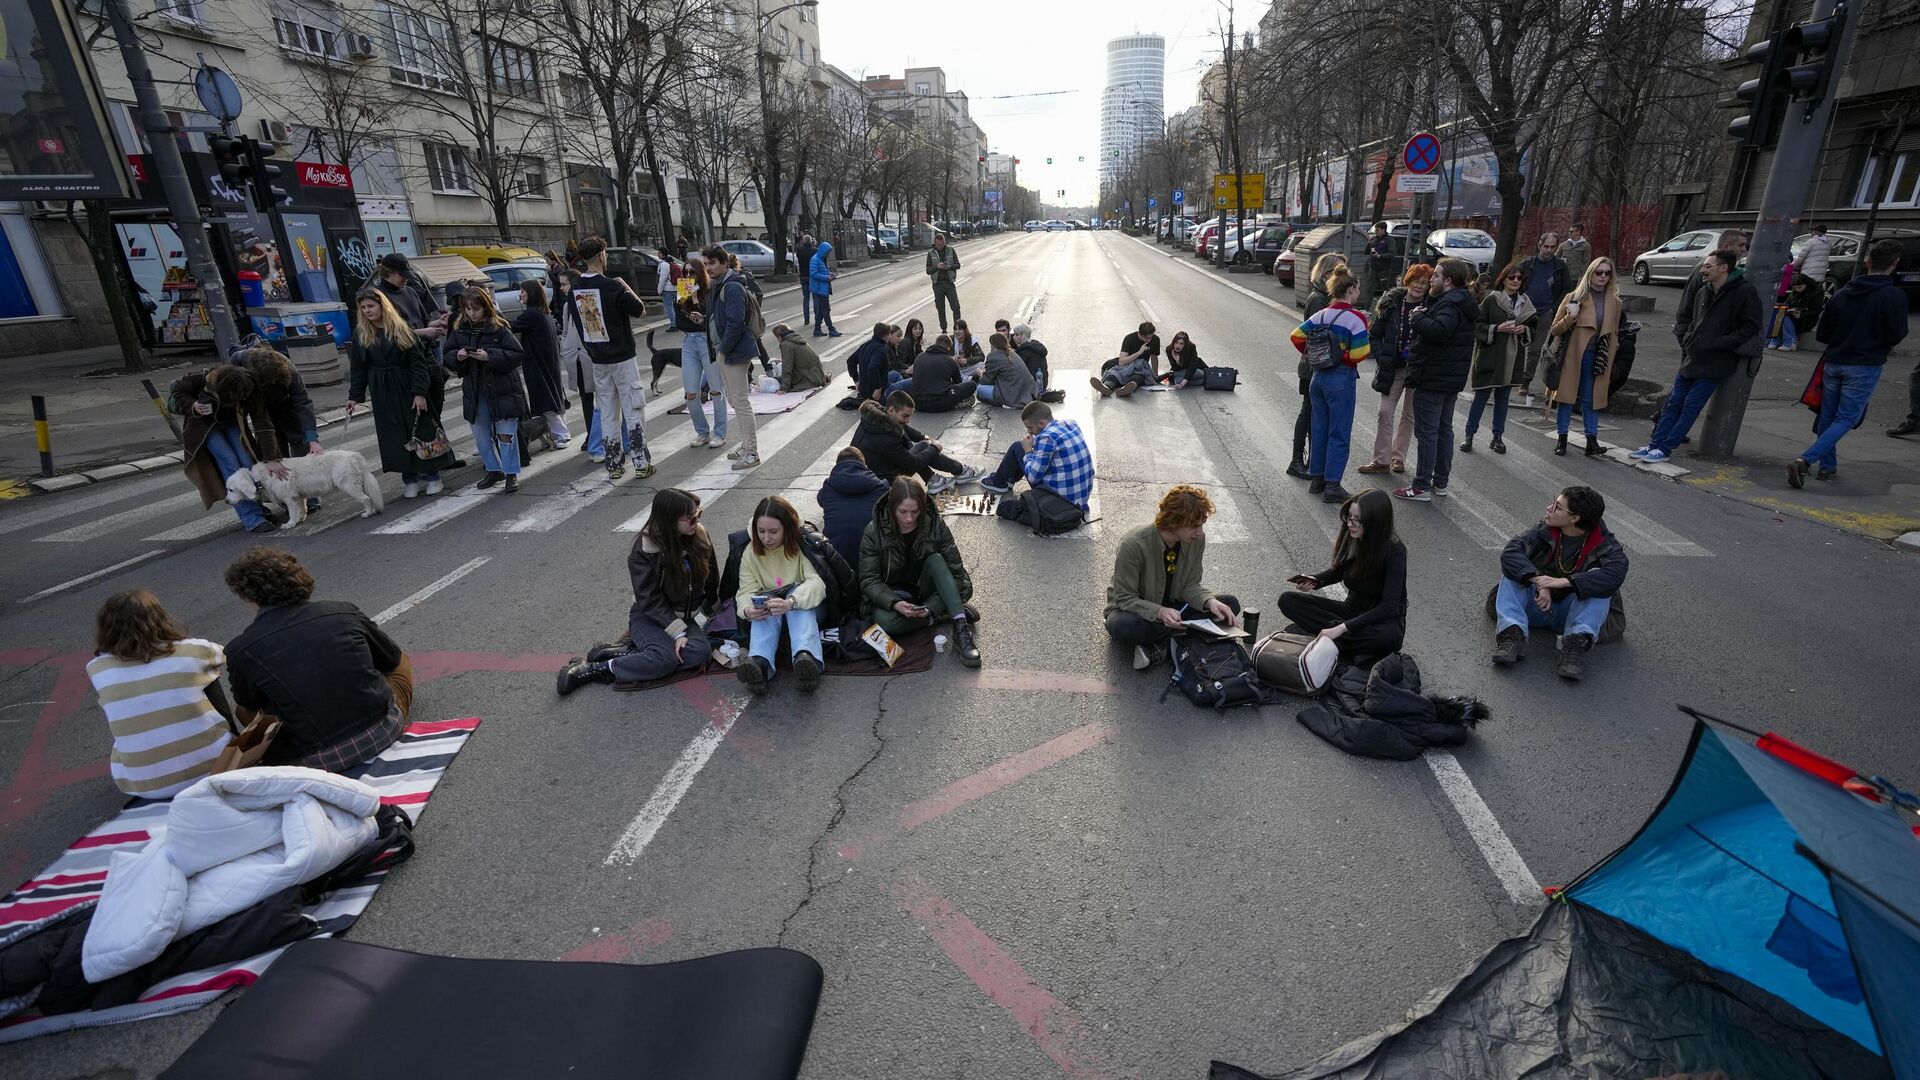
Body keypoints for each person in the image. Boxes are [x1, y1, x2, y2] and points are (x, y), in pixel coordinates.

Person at [223, 546, 413, 770]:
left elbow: (247, 711)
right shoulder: (342, 611)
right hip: (382, 731)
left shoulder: (239, 649)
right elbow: (391, 660)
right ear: (299, 578)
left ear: (247, 595)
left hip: (313, 761)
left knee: (253, 709)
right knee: (400, 663)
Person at [556, 489, 720, 694]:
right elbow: (649, 600)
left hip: (682, 617)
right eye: (690, 518)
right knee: (666, 659)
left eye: (699, 514)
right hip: (649, 616)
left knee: (700, 653)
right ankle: (592, 669)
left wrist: (715, 606)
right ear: (669, 520)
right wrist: (678, 633)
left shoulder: (699, 536)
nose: (697, 521)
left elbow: (711, 575)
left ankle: (625, 654)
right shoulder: (644, 551)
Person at [87, 590, 231, 799]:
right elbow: (225, 653)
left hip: (144, 788)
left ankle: (150, 762)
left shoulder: (97, 668)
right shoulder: (192, 649)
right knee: (209, 674)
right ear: (160, 618)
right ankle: (230, 741)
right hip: (214, 769)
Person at [1791, 239, 1912, 487]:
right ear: (1895, 264)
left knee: (1828, 415)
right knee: (1846, 418)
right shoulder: (1893, 296)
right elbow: (1897, 334)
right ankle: (1806, 459)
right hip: (1865, 363)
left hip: (1834, 361)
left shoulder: (1843, 293)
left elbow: (1822, 333)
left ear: (1867, 262)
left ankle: (1828, 466)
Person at [1632, 250, 1761, 464]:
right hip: (1693, 356)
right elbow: (1693, 320)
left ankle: (1665, 449)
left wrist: (1723, 343)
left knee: (1690, 406)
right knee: (1673, 403)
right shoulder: (1704, 291)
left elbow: (1751, 325)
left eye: (1708, 266)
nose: (1703, 270)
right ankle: (1655, 445)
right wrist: (1689, 339)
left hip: (1716, 361)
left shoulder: (1744, 292)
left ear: (1724, 268)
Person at [1491, 485, 1627, 682]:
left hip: (1571, 613)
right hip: (1537, 605)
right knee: (1515, 572)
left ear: (1574, 518)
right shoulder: (1543, 531)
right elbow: (1511, 553)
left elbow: (1615, 573)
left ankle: (1573, 647)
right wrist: (1538, 580)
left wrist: (1563, 582)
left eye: (1557, 507)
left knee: (1600, 582)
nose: (1549, 508)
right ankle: (1512, 636)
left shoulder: (1605, 544)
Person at [1102, 484, 1242, 670]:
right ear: (1174, 520)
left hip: (1175, 609)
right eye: (1194, 526)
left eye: (1202, 525)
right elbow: (1124, 598)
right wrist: (1159, 612)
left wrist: (1209, 601)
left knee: (1229, 605)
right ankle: (1184, 639)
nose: (1199, 532)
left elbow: (1190, 585)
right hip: (1138, 612)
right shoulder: (1133, 544)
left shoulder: (1196, 540)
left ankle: (1160, 647)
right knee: (1122, 625)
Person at [858, 476, 980, 667]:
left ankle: (961, 629)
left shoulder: (935, 525)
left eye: (915, 512)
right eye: (903, 512)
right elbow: (869, 580)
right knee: (885, 622)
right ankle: (943, 614)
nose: (909, 518)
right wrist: (895, 603)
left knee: (937, 560)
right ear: (891, 508)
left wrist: (930, 605)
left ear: (922, 509)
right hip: (895, 594)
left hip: (928, 588)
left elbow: (956, 574)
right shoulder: (874, 532)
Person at [1277, 488, 1408, 663]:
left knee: (1386, 638)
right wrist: (1316, 581)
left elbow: (1388, 608)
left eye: (1357, 520)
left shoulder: (1395, 551)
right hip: (1350, 610)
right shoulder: (1354, 536)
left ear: (1375, 522)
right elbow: (1340, 571)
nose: (1350, 524)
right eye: (1349, 517)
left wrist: (1341, 628)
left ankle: (1334, 638)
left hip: (1380, 620)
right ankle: (1346, 644)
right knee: (1288, 600)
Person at [347, 289, 452, 498]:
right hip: (382, 391)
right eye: (364, 307)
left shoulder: (401, 329)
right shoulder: (361, 334)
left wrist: (420, 392)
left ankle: (433, 475)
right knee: (394, 436)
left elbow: (418, 364)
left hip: (407, 386)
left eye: (371, 306)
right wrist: (354, 396)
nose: (367, 310)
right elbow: (358, 368)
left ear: (382, 306)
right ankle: (409, 479)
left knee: (421, 430)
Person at [1393, 257, 1478, 502]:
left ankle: (1421, 486)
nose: (1432, 280)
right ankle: (1439, 483)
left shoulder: (1449, 304)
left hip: (1433, 377)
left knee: (1428, 432)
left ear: (1448, 280)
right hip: (1449, 378)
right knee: (1442, 430)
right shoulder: (1461, 301)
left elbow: (1440, 331)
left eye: (1437, 276)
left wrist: (1418, 318)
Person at [572, 236, 654, 479]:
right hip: (622, 357)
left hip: (598, 357)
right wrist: (625, 286)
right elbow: (640, 311)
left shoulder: (576, 287)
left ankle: (614, 465)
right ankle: (641, 463)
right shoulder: (612, 286)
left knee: (607, 412)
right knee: (633, 409)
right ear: (601, 255)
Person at [166, 363, 283, 533]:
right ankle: (252, 518)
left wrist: (271, 458)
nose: (240, 399)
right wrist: (193, 405)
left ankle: (260, 508)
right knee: (230, 463)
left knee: (247, 461)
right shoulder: (203, 377)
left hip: (232, 423)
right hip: (205, 426)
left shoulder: (250, 385)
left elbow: (262, 423)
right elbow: (177, 389)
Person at [1290, 271, 1371, 503]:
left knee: (1319, 428)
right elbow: (1359, 353)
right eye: (1357, 288)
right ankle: (1333, 485)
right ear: (1351, 289)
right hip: (1340, 379)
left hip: (1318, 377)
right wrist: (1343, 354)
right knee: (1339, 433)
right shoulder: (1357, 318)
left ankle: (1317, 479)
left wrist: (1316, 355)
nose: (1359, 293)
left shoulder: (1321, 314)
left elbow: (1296, 336)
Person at [735, 495, 827, 695]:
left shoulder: (801, 544)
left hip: (806, 608)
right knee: (762, 602)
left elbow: (817, 583)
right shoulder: (750, 552)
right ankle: (759, 662)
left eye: (773, 532)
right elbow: (745, 591)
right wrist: (747, 610)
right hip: (773, 613)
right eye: (761, 531)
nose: (766, 538)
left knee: (796, 600)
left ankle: (806, 656)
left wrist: (791, 602)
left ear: (787, 528)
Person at [441, 286, 529, 492]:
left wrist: (490, 356)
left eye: (476, 309)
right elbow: (448, 355)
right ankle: (493, 469)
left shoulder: (499, 327)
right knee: (480, 433)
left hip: (502, 387)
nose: (472, 313)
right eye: (468, 309)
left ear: (486, 307)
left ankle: (510, 473)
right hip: (475, 388)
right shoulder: (460, 329)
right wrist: (458, 357)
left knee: (506, 433)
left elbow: (517, 354)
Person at [1460, 260, 1540, 454]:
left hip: (1513, 358)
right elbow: (1477, 326)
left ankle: (1497, 437)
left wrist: (1524, 329)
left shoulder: (1525, 303)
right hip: (1491, 355)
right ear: (1503, 279)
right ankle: (1469, 435)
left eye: (1519, 278)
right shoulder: (1492, 299)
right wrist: (1497, 328)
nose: (1515, 280)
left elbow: (1534, 328)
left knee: (1503, 399)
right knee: (1481, 396)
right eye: (1511, 277)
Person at [1547, 257, 1623, 458]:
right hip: (1573, 355)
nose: (1603, 277)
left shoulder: (1615, 303)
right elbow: (1555, 330)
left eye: (1607, 273)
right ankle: (1562, 440)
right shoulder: (1574, 297)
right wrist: (1571, 316)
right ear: (1590, 273)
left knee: (1592, 399)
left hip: (1598, 356)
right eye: (1599, 272)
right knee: (1566, 398)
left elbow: (1614, 332)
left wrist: (1612, 353)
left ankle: (1592, 442)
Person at [1360, 264, 1429, 475]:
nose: (1419, 286)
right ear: (1407, 281)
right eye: (1416, 281)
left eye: (1424, 283)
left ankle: (1398, 458)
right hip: (1394, 367)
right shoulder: (1391, 304)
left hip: (1417, 369)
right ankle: (1381, 459)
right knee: (1385, 411)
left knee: (1409, 415)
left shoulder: (1431, 306)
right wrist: (1383, 356)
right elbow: (1374, 334)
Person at [1290, 254, 1349, 478]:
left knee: (1314, 414)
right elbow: (1317, 337)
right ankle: (1297, 461)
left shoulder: (1324, 297)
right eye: (1338, 273)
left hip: (1317, 364)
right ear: (1326, 274)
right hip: (1314, 365)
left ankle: (1312, 461)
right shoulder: (1319, 299)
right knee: (1309, 413)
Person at [705, 244, 763, 469]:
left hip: (734, 352)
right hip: (726, 350)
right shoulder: (717, 284)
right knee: (735, 401)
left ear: (725, 263)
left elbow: (736, 322)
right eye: (707, 263)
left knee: (740, 401)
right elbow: (718, 319)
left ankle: (751, 452)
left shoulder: (731, 286)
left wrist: (724, 349)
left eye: (713, 263)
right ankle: (745, 446)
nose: (708, 267)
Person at [243, 348, 321, 514]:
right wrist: (271, 456)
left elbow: (303, 403)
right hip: (260, 410)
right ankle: (288, 497)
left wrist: (312, 438)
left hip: (288, 406)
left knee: (301, 445)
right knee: (276, 452)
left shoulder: (289, 369)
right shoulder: (243, 365)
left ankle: (311, 495)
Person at [978, 399, 1094, 512]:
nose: (1029, 432)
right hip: (1081, 501)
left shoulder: (1046, 438)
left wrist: (1028, 451)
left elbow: (1033, 477)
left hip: (1059, 503)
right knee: (1025, 451)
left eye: (1030, 427)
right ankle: (1007, 479)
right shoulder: (1071, 424)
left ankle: (999, 482)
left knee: (1018, 447)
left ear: (1042, 423)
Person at [852, 391, 981, 492]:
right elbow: (913, 464)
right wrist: (935, 448)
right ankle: (960, 471)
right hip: (882, 481)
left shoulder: (873, 418)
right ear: (891, 410)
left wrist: (923, 437)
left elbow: (902, 428)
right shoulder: (886, 439)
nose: (907, 420)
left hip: (871, 472)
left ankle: (934, 479)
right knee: (924, 448)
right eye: (905, 416)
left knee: (919, 444)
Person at [512, 280, 571, 450]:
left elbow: (510, 327)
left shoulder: (531, 314)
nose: (520, 294)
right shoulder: (543, 312)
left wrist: (496, 313)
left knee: (546, 401)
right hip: (548, 362)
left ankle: (562, 436)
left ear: (531, 293)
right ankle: (558, 434)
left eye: (522, 291)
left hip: (538, 363)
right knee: (554, 398)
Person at [677, 252, 727, 451]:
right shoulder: (682, 291)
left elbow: (709, 320)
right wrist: (684, 300)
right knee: (690, 392)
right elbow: (679, 321)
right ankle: (702, 432)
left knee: (716, 390)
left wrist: (696, 299)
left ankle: (720, 433)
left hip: (707, 342)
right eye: (685, 272)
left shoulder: (710, 290)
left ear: (700, 273)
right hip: (689, 342)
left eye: (692, 272)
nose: (688, 275)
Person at [555, 271, 605, 463]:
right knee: (585, 399)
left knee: (601, 397)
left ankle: (601, 437)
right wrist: (566, 347)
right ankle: (591, 435)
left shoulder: (587, 302)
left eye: (564, 284)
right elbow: (566, 330)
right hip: (574, 356)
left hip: (590, 357)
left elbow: (595, 329)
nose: (562, 288)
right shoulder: (568, 306)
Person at [1515, 234, 1571, 404]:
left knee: (1535, 348)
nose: (1548, 250)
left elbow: (1566, 290)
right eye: (1546, 246)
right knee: (1516, 344)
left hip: (1545, 312)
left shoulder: (1560, 267)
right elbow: (1514, 282)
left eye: (1552, 247)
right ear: (1539, 244)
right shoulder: (1527, 264)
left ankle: (1525, 382)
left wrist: (1554, 308)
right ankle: (1511, 378)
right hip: (1524, 310)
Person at [1674, 229, 1749, 349]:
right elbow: (1703, 306)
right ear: (1726, 246)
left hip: (1696, 333)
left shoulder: (1717, 269)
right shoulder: (1712, 271)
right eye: (1741, 245)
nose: (1744, 249)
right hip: (1695, 333)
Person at [818, 446, 889, 566]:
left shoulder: (828, 488)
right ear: (864, 466)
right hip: (872, 555)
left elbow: (821, 501)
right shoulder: (881, 488)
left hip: (836, 556)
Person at [374, 253, 445, 339]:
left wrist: (439, 322)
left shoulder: (410, 291)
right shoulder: (378, 296)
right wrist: (422, 333)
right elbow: (387, 333)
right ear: (389, 272)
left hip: (423, 347)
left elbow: (424, 322)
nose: (406, 279)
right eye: (402, 275)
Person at [909, 334, 978, 412]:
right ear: (948, 348)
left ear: (936, 343)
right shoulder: (949, 360)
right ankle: (957, 402)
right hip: (940, 403)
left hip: (918, 404)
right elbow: (958, 382)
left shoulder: (919, 357)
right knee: (972, 384)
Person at [1092, 323, 1159, 398]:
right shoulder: (1129, 339)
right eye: (1147, 338)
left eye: (1151, 337)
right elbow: (1122, 361)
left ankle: (1127, 389)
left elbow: (1154, 357)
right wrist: (1139, 352)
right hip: (1125, 365)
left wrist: (1155, 375)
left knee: (1140, 376)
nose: (1149, 340)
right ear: (1140, 334)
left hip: (1140, 367)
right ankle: (1106, 387)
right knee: (1116, 373)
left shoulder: (1155, 340)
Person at [978, 331, 1037, 408]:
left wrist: (981, 373)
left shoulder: (993, 356)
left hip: (1011, 395)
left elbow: (985, 381)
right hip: (1026, 394)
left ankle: (1000, 402)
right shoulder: (1012, 353)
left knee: (979, 389)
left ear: (993, 345)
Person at [853, 322, 907, 401]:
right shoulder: (881, 349)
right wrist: (877, 388)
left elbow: (850, 362)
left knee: (895, 374)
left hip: (864, 388)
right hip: (876, 391)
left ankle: (901, 399)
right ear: (886, 336)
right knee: (912, 382)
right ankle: (902, 400)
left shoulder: (865, 345)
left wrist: (856, 380)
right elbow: (873, 367)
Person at [1771, 273, 1822, 351]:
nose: (1798, 289)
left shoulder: (1816, 292)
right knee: (1780, 314)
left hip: (1806, 319)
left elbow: (1816, 311)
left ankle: (1790, 342)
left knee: (1784, 317)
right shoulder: (1795, 292)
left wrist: (1801, 315)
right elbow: (1787, 303)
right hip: (1793, 316)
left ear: (1806, 284)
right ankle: (1775, 340)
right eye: (1796, 288)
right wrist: (1787, 309)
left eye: (1800, 287)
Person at [774, 323, 829, 391]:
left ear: (779, 336)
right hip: (818, 376)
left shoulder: (786, 344)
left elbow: (787, 367)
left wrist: (784, 388)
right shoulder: (797, 338)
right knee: (778, 378)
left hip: (808, 381)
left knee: (774, 381)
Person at [927, 232, 962, 332]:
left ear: (944, 242)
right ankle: (944, 329)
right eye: (938, 244)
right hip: (937, 284)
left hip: (949, 283)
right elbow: (928, 271)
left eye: (942, 244)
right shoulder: (931, 253)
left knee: (955, 307)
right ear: (935, 243)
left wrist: (949, 267)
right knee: (940, 308)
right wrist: (937, 267)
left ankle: (958, 329)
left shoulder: (950, 250)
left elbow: (958, 265)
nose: (940, 246)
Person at [809, 240, 839, 337]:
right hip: (819, 288)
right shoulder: (816, 259)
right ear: (823, 251)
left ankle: (817, 329)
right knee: (826, 309)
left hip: (822, 288)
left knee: (822, 310)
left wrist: (829, 275)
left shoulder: (820, 259)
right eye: (827, 252)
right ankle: (831, 329)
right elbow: (813, 274)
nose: (828, 254)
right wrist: (827, 278)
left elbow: (820, 272)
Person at [1792, 224, 1832, 289]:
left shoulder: (1811, 242)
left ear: (1816, 232)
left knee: (1804, 292)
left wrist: (1792, 266)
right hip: (1820, 274)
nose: (1810, 233)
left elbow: (1801, 258)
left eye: (1812, 231)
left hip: (1808, 274)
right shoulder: (1828, 243)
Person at [1012, 323, 1049, 392]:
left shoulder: (1024, 351)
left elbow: (1015, 370)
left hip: (1032, 387)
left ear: (1023, 335)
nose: (1013, 337)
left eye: (1016, 335)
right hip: (1042, 383)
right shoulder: (1035, 346)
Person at [1365, 221, 1393, 300]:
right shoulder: (1374, 240)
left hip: (1384, 269)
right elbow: (1366, 252)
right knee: (1370, 289)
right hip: (1373, 268)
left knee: (1384, 290)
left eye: (1377, 230)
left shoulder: (1389, 240)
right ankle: (1366, 309)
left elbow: (1391, 254)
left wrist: (1379, 256)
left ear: (1383, 229)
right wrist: (1369, 242)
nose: (1375, 232)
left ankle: (1386, 307)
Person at [794, 233, 818, 327]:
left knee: (806, 298)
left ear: (803, 242)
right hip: (813, 276)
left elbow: (799, 250)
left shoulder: (799, 251)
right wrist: (814, 245)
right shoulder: (815, 250)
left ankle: (806, 318)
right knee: (816, 298)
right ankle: (817, 317)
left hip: (804, 277)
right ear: (811, 241)